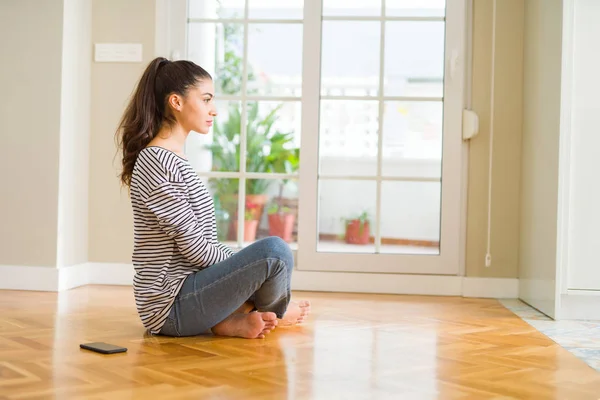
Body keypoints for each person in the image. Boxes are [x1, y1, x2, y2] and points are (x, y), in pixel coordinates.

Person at [114, 57, 310, 339]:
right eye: (206, 100)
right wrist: (241, 261)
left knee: (272, 255)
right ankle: (273, 311)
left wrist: (240, 265)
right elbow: (196, 250)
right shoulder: (157, 161)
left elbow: (201, 249)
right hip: (170, 306)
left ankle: (229, 319)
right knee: (275, 252)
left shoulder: (173, 158)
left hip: (192, 291)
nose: (213, 110)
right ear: (176, 102)